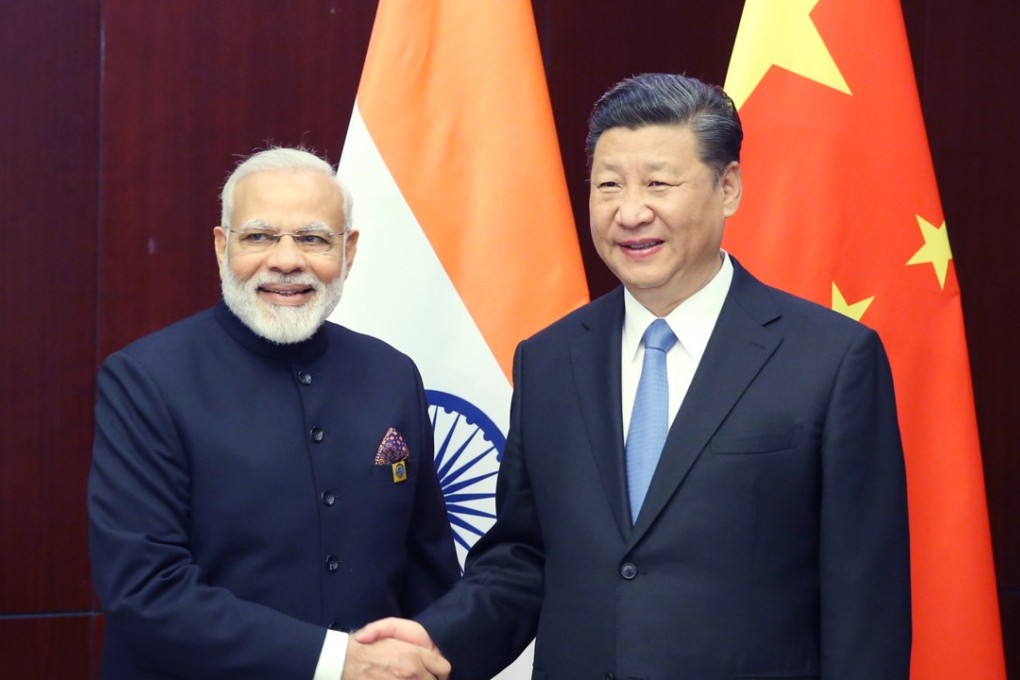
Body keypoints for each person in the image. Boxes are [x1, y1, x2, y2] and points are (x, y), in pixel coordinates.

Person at [354, 73, 912, 679]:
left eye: (658, 184)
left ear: (728, 188)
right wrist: (434, 642)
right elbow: (524, 558)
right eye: (608, 185)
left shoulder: (830, 359)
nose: (630, 211)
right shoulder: (549, 360)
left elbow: (866, 603)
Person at [88, 147, 460, 679]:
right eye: (259, 237)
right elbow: (144, 587)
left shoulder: (393, 375)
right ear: (222, 247)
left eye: (313, 238)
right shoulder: (146, 380)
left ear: (348, 251)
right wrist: (338, 662)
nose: (286, 261)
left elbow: (429, 570)